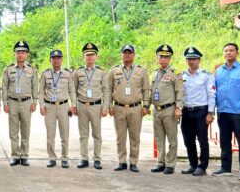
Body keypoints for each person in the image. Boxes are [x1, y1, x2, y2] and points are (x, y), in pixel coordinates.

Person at [213, 42, 240, 181]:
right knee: (224, 142)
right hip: (223, 111)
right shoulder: (219, 71)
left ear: (237, 53)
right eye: (226, 50)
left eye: (231, 50)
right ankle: (225, 168)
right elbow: (215, 91)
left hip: (239, 112)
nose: (228, 53)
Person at [106, 44, 150, 172]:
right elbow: (108, 89)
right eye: (125, 52)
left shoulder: (141, 71)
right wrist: (109, 106)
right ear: (121, 55)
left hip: (135, 108)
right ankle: (122, 161)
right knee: (120, 137)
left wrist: (146, 106)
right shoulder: (114, 71)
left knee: (134, 137)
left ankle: (133, 162)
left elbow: (146, 90)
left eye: (129, 52)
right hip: (118, 108)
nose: (127, 55)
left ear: (134, 55)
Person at [72, 42, 108, 170]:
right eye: (87, 55)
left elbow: (106, 90)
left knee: (97, 134)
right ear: (84, 57)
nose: (89, 57)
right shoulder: (78, 72)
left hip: (96, 106)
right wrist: (74, 105)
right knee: (83, 134)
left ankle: (97, 159)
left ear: (96, 56)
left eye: (92, 54)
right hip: (82, 105)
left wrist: (105, 107)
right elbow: (73, 89)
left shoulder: (101, 72)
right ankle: (84, 158)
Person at [180, 47, 215, 176]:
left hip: (201, 111)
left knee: (202, 140)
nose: (191, 61)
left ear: (199, 60)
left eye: (194, 59)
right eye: (189, 59)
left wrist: (210, 113)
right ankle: (193, 164)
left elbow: (211, 94)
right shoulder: (182, 75)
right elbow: (179, 94)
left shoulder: (206, 75)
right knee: (188, 140)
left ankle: (202, 166)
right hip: (186, 111)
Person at [150, 44, 185, 175]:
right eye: (161, 56)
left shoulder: (175, 74)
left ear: (170, 58)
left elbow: (179, 91)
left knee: (172, 139)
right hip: (156, 110)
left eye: (166, 57)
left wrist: (178, 108)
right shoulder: (155, 74)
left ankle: (170, 164)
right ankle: (160, 162)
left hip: (169, 109)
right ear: (157, 58)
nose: (163, 59)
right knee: (159, 138)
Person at [2, 41, 37, 166]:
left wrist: (35, 102)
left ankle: (24, 155)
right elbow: (4, 86)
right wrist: (4, 102)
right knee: (13, 131)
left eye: (23, 52)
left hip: (27, 102)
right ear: (14, 54)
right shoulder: (8, 69)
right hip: (12, 102)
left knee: (25, 130)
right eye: (18, 52)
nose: (20, 54)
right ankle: (15, 156)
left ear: (27, 54)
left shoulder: (32, 70)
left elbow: (35, 86)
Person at [40, 49, 76, 168]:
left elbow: (72, 90)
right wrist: (41, 105)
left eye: (58, 58)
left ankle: (64, 158)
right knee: (50, 135)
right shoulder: (45, 74)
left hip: (64, 106)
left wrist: (73, 105)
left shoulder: (68, 74)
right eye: (54, 58)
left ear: (62, 59)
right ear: (50, 60)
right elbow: (41, 91)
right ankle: (51, 158)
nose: (56, 60)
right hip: (49, 106)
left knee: (64, 134)